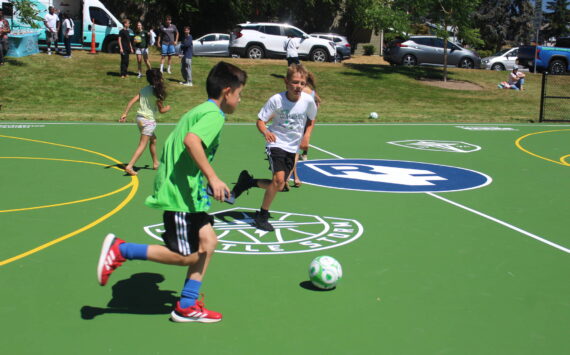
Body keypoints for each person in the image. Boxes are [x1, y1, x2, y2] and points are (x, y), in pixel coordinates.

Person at [97, 61, 248, 323]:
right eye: (239, 94)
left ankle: (187, 305)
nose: (240, 99)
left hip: (189, 192)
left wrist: (202, 182)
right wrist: (212, 176)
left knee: (209, 243)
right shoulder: (214, 115)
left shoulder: (201, 110)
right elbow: (191, 142)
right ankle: (122, 249)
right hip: (181, 197)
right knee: (185, 257)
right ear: (227, 92)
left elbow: (180, 148)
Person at [230, 64, 317, 232]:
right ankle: (262, 215)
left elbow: (311, 119)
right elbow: (260, 121)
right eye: (295, 82)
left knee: (281, 185)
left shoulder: (308, 101)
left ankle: (247, 182)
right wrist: (265, 132)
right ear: (286, 82)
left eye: (302, 83)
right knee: (278, 181)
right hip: (276, 143)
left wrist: (307, 136)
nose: (298, 86)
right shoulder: (276, 100)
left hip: (293, 147)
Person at [119, 68, 170, 176]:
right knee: (142, 144)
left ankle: (155, 163)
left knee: (154, 140)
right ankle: (130, 166)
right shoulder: (157, 93)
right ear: (159, 78)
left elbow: (132, 101)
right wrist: (168, 108)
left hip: (139, 119)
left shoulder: (144, 90)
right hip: (148, 121)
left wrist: (125, 113)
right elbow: (161, 111)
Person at [288, 70, 321, 188]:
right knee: (294, 152)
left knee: (294, 152)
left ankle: (290, 177)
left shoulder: (304, 92)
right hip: (302, 122)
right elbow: (318, 103)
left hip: (299, 123)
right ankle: (295, 177)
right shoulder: (311, 92)